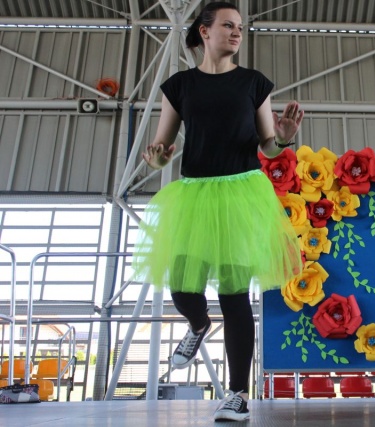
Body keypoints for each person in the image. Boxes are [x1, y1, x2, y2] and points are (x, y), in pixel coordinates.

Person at [131, 2, 303, 421]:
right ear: (205, 31)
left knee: (234, 294)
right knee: (182, 287)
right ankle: (197, 324)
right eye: (228, 25)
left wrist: (283, 138)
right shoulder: (179, 86)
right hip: (194, 193)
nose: (237, 32)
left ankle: (238, 394)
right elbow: (161, 150)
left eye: (240, 27)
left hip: (241, 193)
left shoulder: (253, 83)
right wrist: (156, 158)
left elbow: (268, 146)